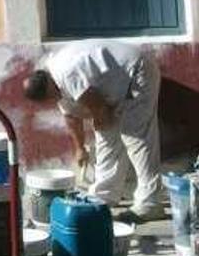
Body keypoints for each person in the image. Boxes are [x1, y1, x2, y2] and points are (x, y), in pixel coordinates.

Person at [22, 40, 165, 224]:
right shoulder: (53, 82)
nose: (54, 100)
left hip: (137, 71)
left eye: (51, 97)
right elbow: (71, 115)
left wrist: (101, 126)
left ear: (49, 86)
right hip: (116, 86)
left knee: (136, 136)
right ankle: (104, 197)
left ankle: (151, 203)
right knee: (108, 136)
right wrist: (79, 148)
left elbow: (101, 110)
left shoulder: (67, 73)